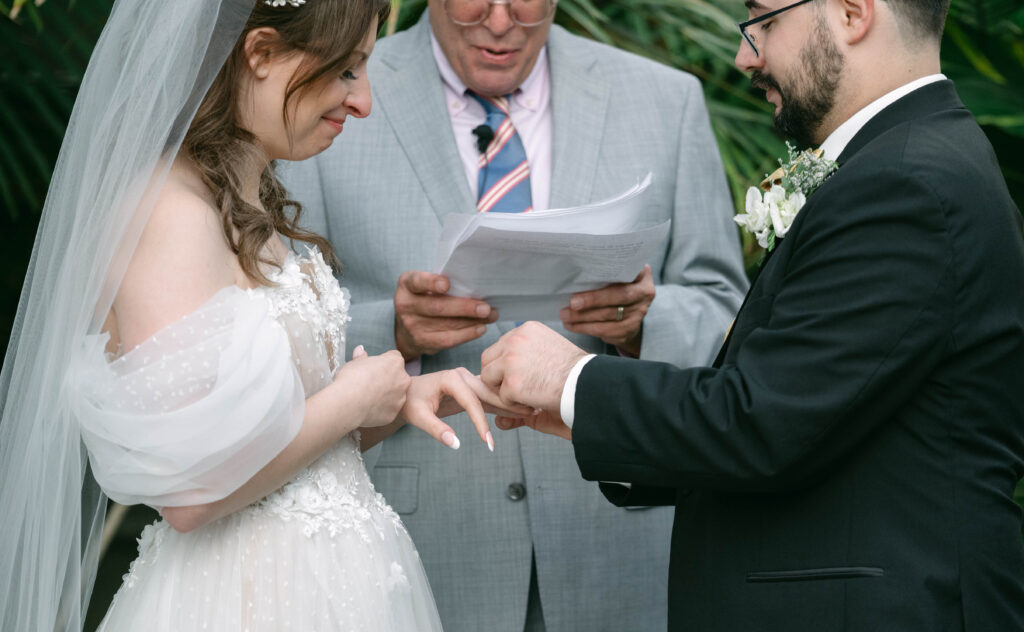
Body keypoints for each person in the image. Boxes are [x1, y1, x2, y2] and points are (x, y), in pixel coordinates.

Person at [479, 0, 1024, 629]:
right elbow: (819, 414)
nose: (745, 55)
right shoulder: (907, 163)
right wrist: (583, 417)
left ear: (852, 13)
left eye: (764, 19)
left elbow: (764, 421)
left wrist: (572, 380)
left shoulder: (906, 184)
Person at [0, 1, 523, 630]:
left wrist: (398, 397)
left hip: (337, 586)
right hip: (244, 598)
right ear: (262, 53)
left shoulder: (245, 203)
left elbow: (266, 439)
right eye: (346, 71)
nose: (362, 103)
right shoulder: (168, 213)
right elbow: (192, 492)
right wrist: (352, 401)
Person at [280, 1, 748, 629]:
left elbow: (728, 313)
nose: (500, 23)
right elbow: (269, 331)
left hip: (620, 544)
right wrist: (392, 331)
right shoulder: (328, 96)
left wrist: (643, 325)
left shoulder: (666, 100)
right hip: (416, 547)